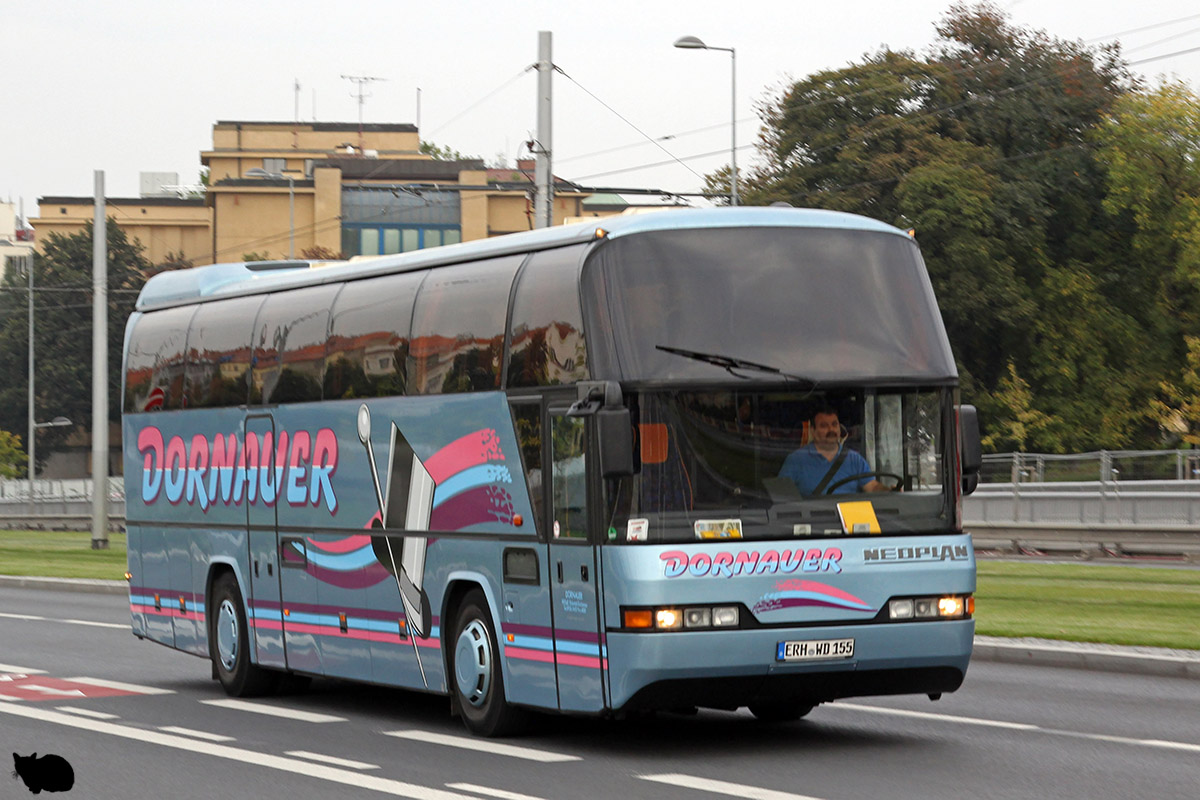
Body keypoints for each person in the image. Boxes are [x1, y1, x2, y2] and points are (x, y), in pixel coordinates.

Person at [779, 407, 890, 495]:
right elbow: (781, 495)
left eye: (834, 424)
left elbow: (872, 487)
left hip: (849, 519)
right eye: (824, 426)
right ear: (812, 431)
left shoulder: (854, 459)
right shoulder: (796, 459)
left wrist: (888, 491)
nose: (831, 430)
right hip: (813, 519)